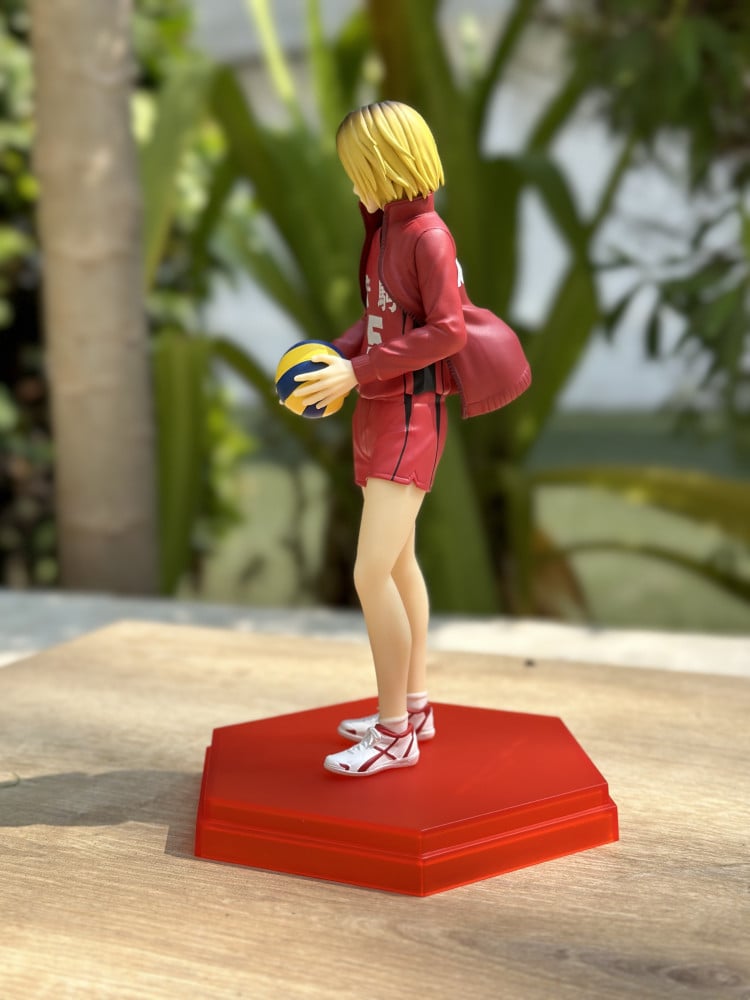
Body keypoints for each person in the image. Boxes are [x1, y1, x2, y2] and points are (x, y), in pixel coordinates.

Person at [292, 101, 530, 777]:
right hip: (377, 411)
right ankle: (415, 708)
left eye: (357, 169)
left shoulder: (427, 236)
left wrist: (357, 371)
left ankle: (394, 731)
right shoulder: (383, 233)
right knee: (398, 567)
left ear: (385, 166)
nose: (351, 182)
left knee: (370, 573)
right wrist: (335, 358)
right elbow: (378, 320)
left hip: (408, 417)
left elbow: (447, 331)